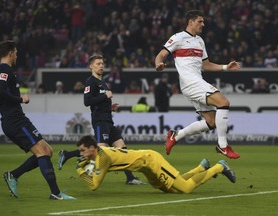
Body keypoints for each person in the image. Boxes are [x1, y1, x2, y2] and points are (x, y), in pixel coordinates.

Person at [0, 40, 75, 200]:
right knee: (43, 152)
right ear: (10, 53)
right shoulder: (5, 70)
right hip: (15, 120)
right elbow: (1, 92)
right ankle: (56, 193)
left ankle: (13, 175)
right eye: (15, 53)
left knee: (47, 151)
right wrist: (20, 99)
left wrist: (3, 109)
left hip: (13, 119)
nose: (17, 56)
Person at [155, 10, 240, 159]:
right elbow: (161, 54)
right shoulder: (178, 37)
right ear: (191, 22)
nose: (203, 24)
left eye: (203, 21)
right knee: (223, 102)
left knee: (212, 122)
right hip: (191, 82)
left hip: (194, 83)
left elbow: (206, 65)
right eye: (200, 21)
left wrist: (226, 67)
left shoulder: (200, 41)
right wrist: (159, 65)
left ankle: (176, 135)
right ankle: (223, 146)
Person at [57, 54, 145, 185]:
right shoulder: (90, 82)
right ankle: (68, 155)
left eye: (102, 63)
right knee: (99, 151)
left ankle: (130, 178)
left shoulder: (102, 82)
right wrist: (105, 96)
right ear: (91, 66)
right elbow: (87, 102)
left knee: (122, 148)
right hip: (100, 121)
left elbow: (100, 102)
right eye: (98, 63)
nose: (101, 65)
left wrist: (110, 107)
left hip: (108, 120)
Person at [76, 135, 236, 193]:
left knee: (185, 188)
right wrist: (86, 162)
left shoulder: (103, 158)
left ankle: (219, 167)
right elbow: (95, 166)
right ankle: (201, 168)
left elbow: (94, 185)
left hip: (151, 160)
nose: (81, 154)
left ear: (92, 148)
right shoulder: (99, 153)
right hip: (146, 169)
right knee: (172, 190)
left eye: (83, 151)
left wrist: (80, 170)